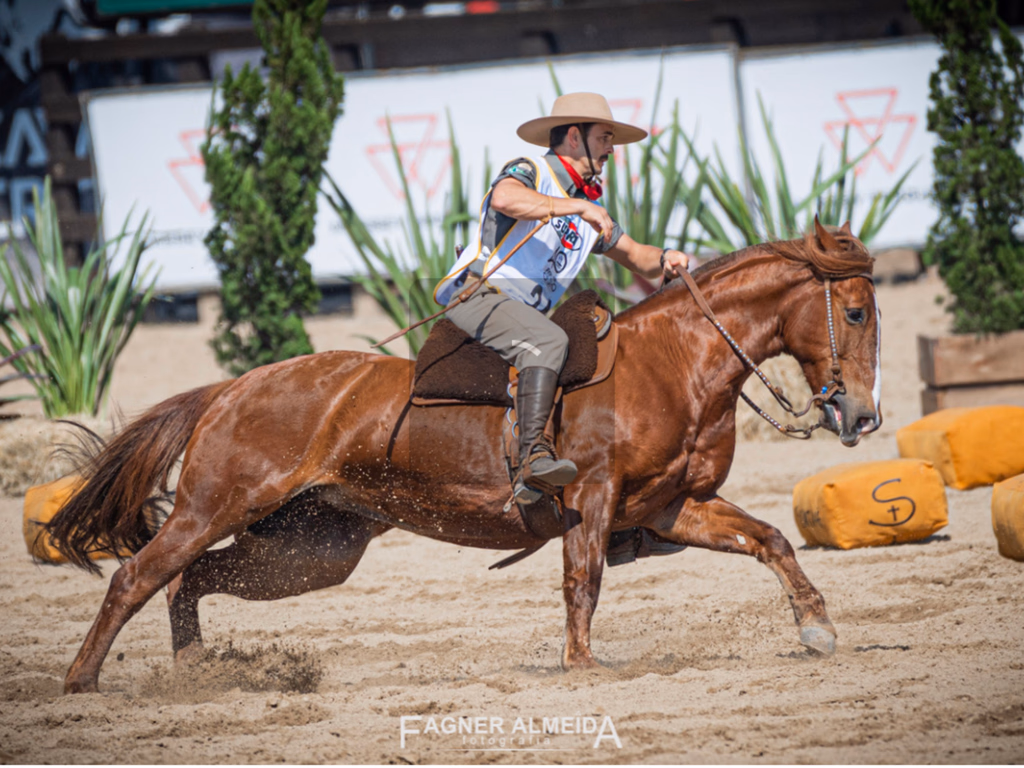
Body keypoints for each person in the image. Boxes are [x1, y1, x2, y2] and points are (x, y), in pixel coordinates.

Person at [434, 93, 690, 560]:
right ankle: (533, 462)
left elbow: (635, 255)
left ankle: (615, 521)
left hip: (522, 314)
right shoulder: (531, 171)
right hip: (476, 294)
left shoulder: (586, 204)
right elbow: (505, 198)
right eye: (605, 138)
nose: (612, 149)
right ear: (575, 137)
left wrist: (667, 258)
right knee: (549, 339)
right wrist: (574, 208)